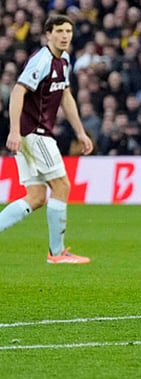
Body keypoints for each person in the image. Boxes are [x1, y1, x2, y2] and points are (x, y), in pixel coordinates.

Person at [0, 14, 94, 263]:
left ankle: (57, 252)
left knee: (37, 197)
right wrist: (14, 130)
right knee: (62, 186)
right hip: (35, 134)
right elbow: (19, 91)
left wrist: (80, 132)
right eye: (60, 31)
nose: (65, 36)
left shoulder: (64, 60)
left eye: (69, 31)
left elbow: (66, 96)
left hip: (35, 134)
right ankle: (57, 252)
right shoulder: (41, 60)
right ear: (48, 34)